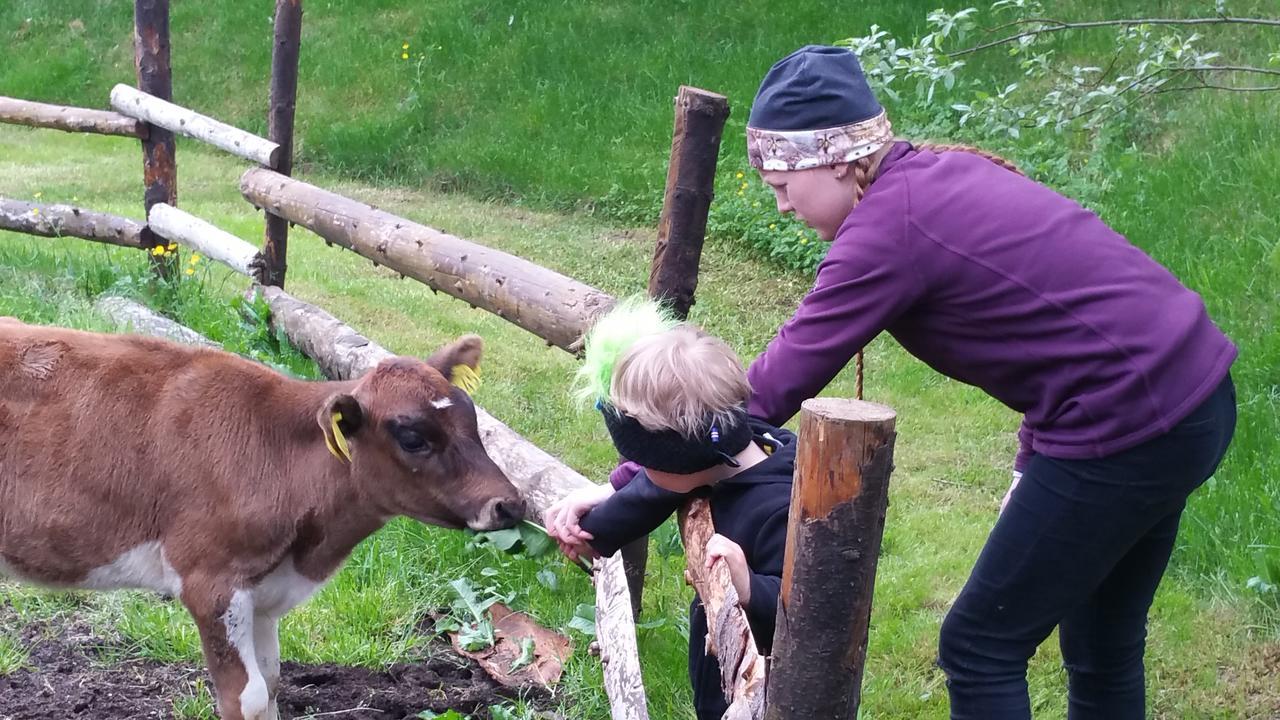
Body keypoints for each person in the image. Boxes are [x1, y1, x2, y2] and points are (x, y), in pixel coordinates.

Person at [675, 44, 1232, 719]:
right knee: (1101, 645)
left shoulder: (887, 231)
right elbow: (1060, 333)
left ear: (839, 162)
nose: (784, 207)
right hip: (1190, 398)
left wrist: (644, 471)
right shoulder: (937, 178)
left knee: (979, 645)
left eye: (785, 187)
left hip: (1128, 424)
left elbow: (767, 389)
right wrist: (1034, 464)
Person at [545, 300, 794, 720]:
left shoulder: (783, 510)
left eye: (648, 463)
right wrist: (597, 526)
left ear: (681, 460)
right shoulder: (716, 462)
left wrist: (749, 588)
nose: (641, 470)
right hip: (718, 677)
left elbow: (810, 619)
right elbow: (656, 490)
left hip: (771, 699)